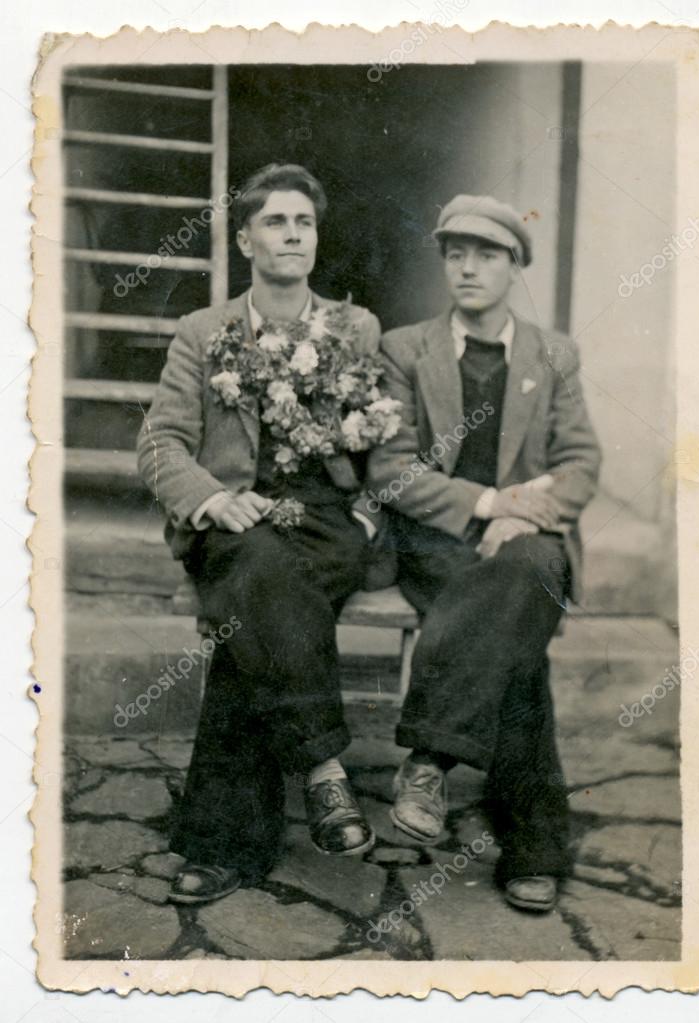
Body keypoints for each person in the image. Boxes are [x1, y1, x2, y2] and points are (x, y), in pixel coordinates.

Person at [136, 164, 382, 905]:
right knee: (256, 573)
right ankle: (324, 771)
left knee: (254, 611)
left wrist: (371, 508)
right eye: (275, 221)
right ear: (245, 238)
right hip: (239, 516)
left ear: (316, 237)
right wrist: (209, 501)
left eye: (303, 222)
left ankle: (220, 842)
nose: (292, 235)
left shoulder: (353, 327)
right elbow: (159, 444)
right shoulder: (202, 332)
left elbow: (384, 437)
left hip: (326, 518)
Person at [367, 194, 601, 912]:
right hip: (442, 543)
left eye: (487, 254)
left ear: (513, 267)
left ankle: (430, 757)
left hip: (529, 543)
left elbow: (579, 461)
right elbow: (391, 470)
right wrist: (488, 505)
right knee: (516, 641)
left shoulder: (552, 354)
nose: (468, 268)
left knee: (526, 571)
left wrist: (525, 515)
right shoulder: (404, 349)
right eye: (455, 253)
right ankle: (533, 845)